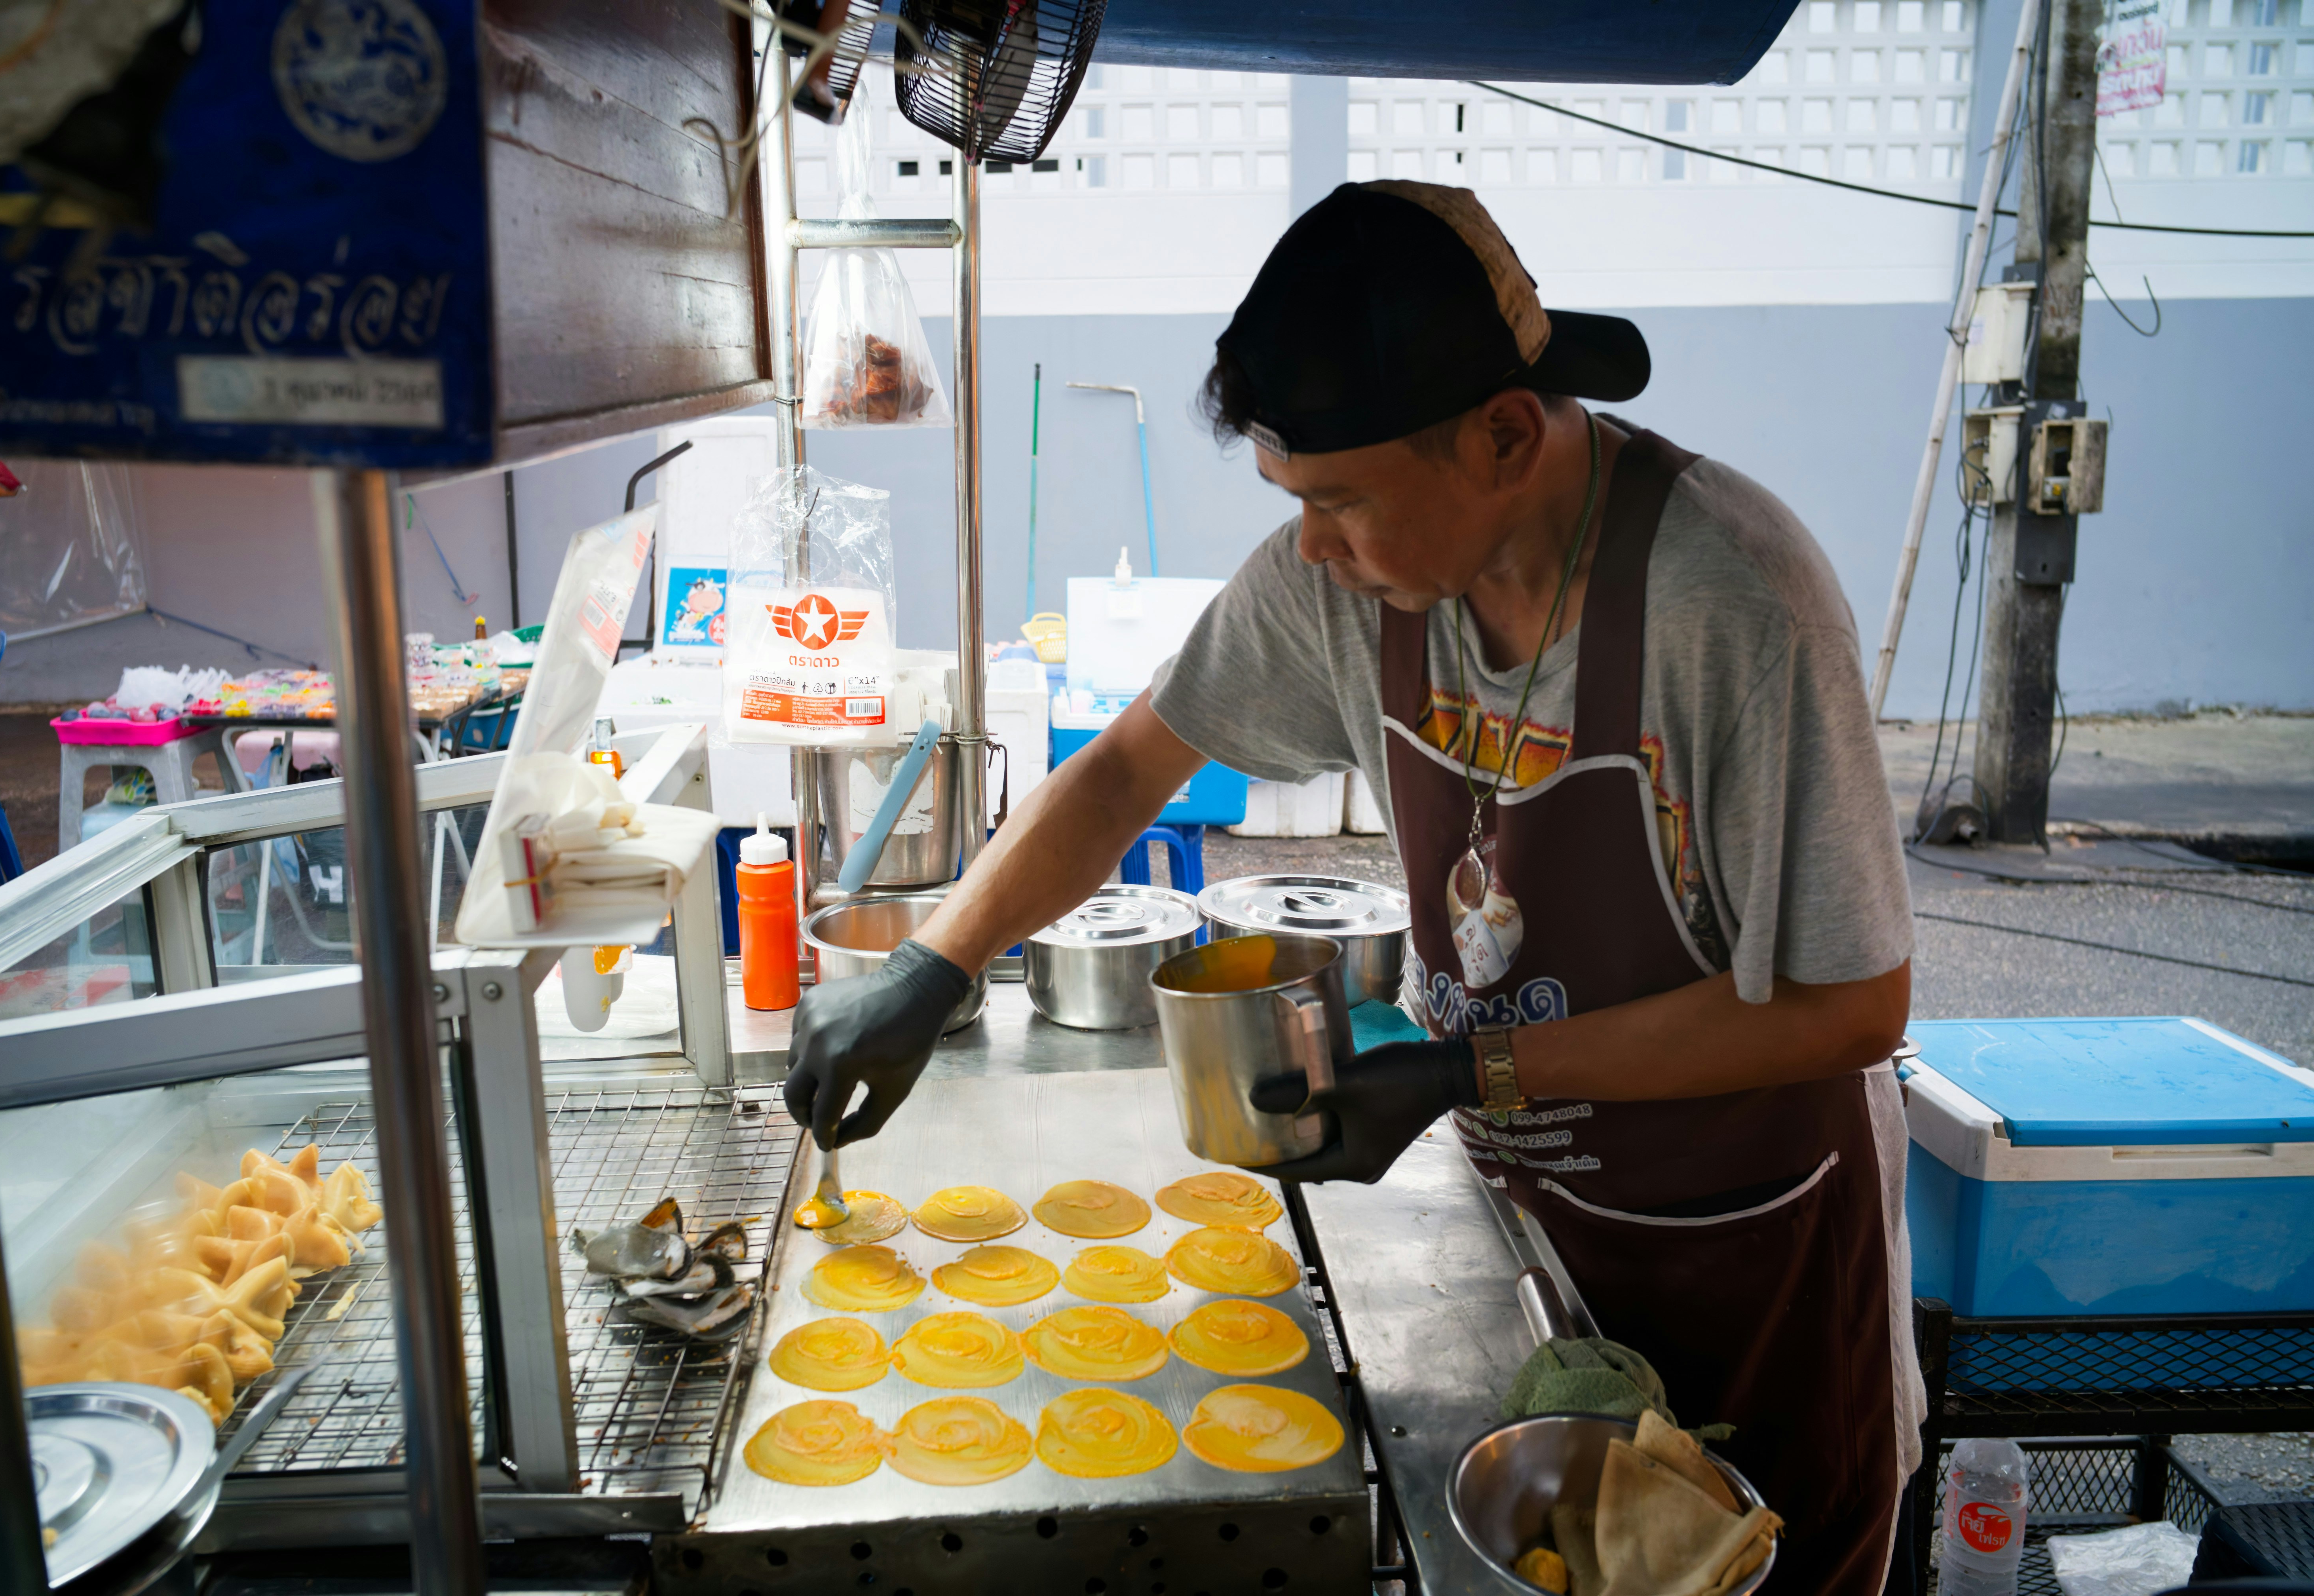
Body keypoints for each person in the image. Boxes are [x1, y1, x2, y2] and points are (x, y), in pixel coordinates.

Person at [782, 180, 1919, 1596]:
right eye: (1291, 500)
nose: (1311, 547)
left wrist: (1475, 1068)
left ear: (1505, 435)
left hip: (1742, 1258)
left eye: (1340, 502)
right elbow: (1130, 769)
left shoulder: (1730, 604)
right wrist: (938, 963)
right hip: (1532, 1239)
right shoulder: (1343, 585)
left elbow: (1851, 1006)